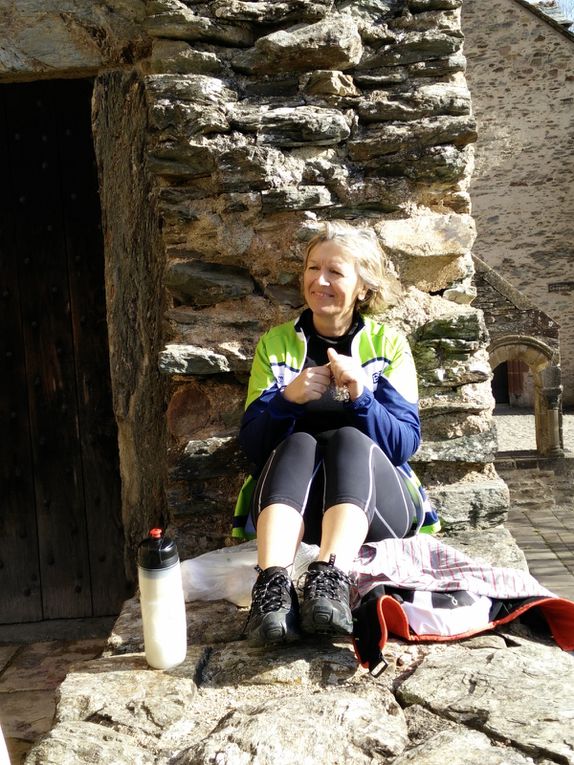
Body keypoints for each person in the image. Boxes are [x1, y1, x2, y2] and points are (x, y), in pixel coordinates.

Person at [232, 222, 439, 647]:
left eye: (335, 272)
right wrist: (287, 400)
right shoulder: (275, 346)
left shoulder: (389, 345)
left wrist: (362, 396)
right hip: (295, 515)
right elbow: (252, 448)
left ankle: (331, 578)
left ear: (363, 287)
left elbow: (404, 445)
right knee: (298, 441)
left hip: (377, 511)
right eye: (312, 268)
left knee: (349, 438)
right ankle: (273, 587)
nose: (319, 281)